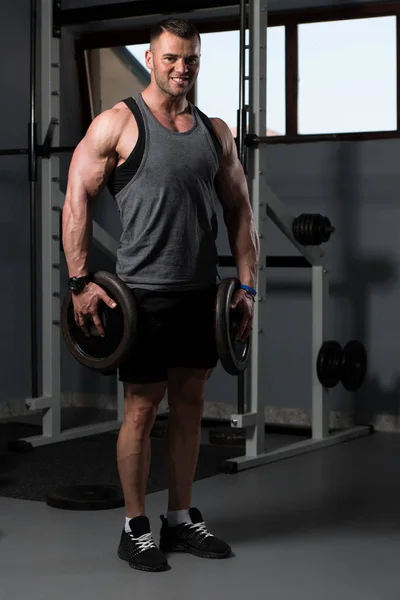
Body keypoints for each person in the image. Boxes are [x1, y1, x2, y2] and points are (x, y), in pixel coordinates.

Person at [62, 18, 260, 572]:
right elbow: (76, 197)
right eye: (171, 58)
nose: (181, 69)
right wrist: (80, 283)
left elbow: (240, 212)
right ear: (150, 58)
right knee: (142, 412)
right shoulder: (119, 124)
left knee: (191, 408)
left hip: (200, 295)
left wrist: (246, 285)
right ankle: (136, 525)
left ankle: (179, 517)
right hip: (142, 297)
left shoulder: (214, 131)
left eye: (191, 60)